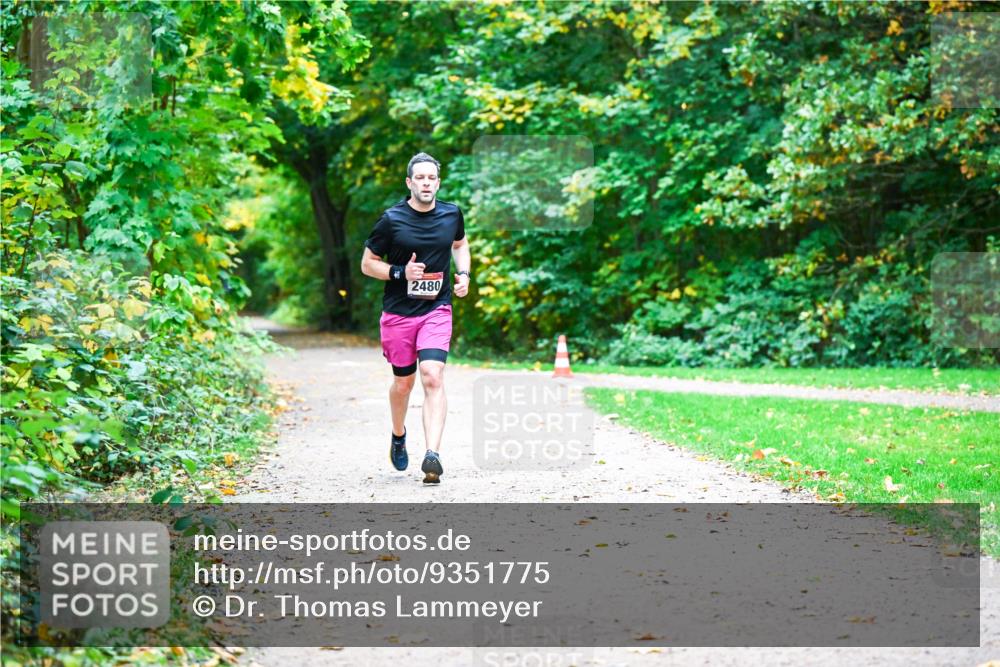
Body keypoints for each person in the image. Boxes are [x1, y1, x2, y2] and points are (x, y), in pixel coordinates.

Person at [360, 152, 471, 484]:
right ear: (409, 182)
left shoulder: (452, 214)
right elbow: (367, 264)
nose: (426, 183)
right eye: (420, 178)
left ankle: (432, 454)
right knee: (403, 384)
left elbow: (460, 244)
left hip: (437, 309)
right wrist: (400, 272)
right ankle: (398, 434)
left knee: (432, 376)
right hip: (398, 314)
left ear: (438, 182)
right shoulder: (391, 220)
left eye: (431, 178)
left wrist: (464, 274)